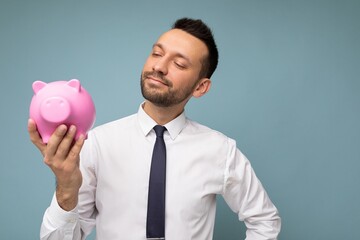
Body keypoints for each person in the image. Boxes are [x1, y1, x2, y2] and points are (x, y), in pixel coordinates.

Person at [28, 18, 281, 240]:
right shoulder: (97, 143)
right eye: (157, 54)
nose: (159, 67)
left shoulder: (221, 151)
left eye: (179, 64)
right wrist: (67, 187)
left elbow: (265, 221)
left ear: (201, 87)